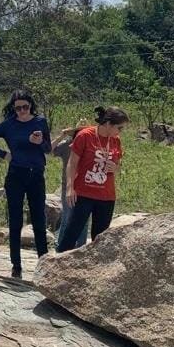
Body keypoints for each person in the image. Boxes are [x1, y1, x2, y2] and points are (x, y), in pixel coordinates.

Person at [0, 90, 51, 279]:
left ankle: (43, 261)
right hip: (16, 175)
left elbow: (48, 149)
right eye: (17, 108)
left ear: (31, 106)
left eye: (25, 107)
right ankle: (16, 265)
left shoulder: (40, 122)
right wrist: (4, 154)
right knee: (16, 220)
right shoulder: (9, 124)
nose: (21, 111)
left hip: (36, 174)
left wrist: (40, 141)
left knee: (38, 220)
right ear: (13, 108)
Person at [57, 106, 129, 253]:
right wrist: (70, 188)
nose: (120, 132)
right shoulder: (85, 135)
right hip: (84, 193)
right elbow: (72, 163)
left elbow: (118, 164)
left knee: (100, 240)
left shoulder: (116, 140)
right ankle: (54, 267)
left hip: (106, 196)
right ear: (108, 124)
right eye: (119, 128)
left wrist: (114, 167)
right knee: (71, 234)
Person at [52, 119, 89, 251]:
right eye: (79, 132)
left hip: (86, 186)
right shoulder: (67, 145)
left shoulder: (90, 145)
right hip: (69, 185)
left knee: (83, 219)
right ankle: (60, 247)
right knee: (68, 217)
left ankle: (81, 248)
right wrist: (61, 135)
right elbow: (48, 149)